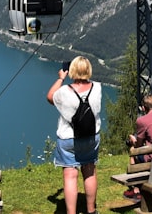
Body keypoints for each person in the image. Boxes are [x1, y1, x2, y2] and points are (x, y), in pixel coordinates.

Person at [47, 56, 102, 214]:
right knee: (89, 170)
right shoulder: (97, 88)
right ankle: (91, 211)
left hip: (69, 138)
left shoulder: (64, 92)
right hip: (91, 137)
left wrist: (60, 79)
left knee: (70, 175)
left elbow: (50, 97)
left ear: (71, 71)